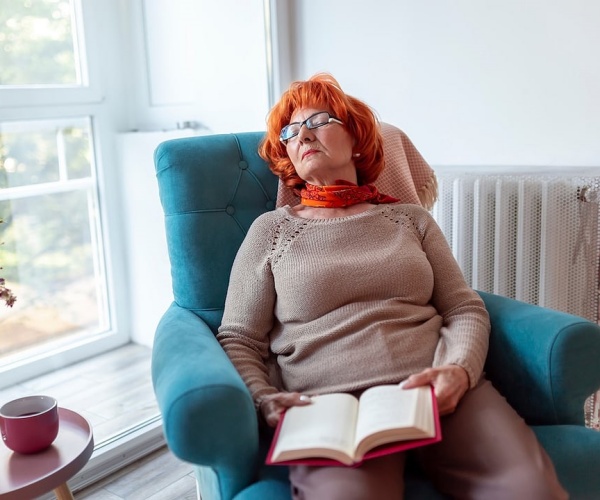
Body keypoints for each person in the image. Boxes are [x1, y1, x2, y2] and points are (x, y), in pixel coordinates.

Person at [216, 73, 567, 500]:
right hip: (327, 407)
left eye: (319, 120)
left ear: (357, 136)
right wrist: (263, 398)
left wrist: (459, 370)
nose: (302, 134)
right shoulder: (271, 231)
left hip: (435, 389)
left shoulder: (410, 219)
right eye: (290, 131)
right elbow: (239, 337)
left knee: (529, 490)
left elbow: (462, 308)